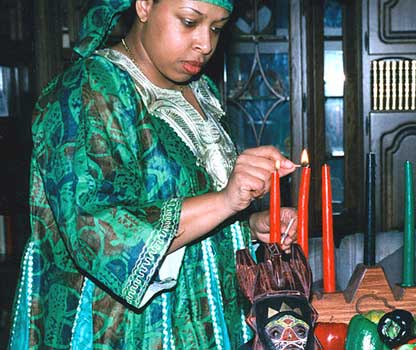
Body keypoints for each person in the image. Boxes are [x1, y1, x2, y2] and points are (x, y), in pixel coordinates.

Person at [9, 0, 299, 348]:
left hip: (208, 318)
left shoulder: (199, 91)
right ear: (144, 5)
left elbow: (190, 202)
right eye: (190, 22)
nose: (205, 44)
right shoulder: (90, 89)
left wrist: (247, 226)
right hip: (127, 329)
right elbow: (97, 230)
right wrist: (225, 201)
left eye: (217, 28)